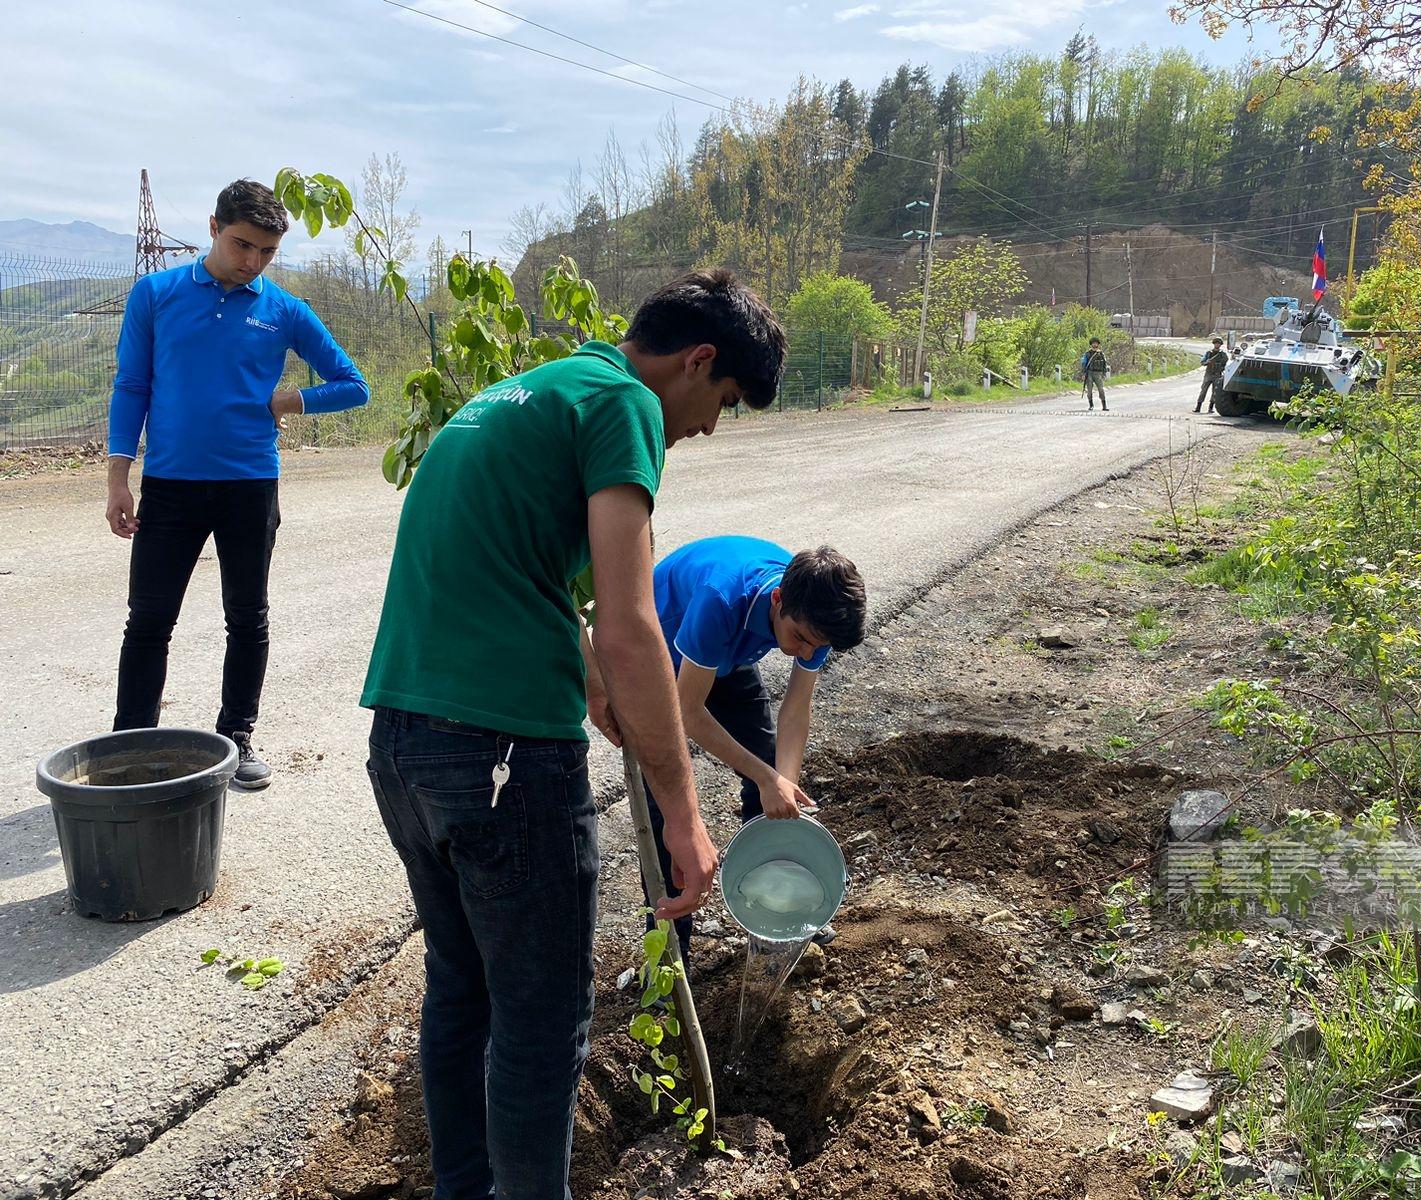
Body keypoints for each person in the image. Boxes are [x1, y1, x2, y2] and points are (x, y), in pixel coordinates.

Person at [361, 269, 786, 1200]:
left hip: (403, 744)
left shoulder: (529, 391)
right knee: (543, 1020)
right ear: (698, 361)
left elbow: (524, 571)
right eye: (722, 401)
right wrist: (685, 816)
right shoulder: (625, 405)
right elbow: (633, 624)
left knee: (462, 990)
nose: (710, 427)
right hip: (503, 758)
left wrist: (591, 676)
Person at [106, 179, 368, 787]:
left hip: (250, 486)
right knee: (149, 620)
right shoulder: (156, 294)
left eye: (267, 252)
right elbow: (132, 386)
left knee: (247, 617)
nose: (253, 262)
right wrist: (119, 478)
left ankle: (237, 738)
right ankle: (129, 745)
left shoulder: (284, 310)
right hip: (169, 485)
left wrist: (290, 400)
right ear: (213, 227)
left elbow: (353, 384)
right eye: (242, 245)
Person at [593, 537, 866, 962]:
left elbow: (796, 709)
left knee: (770, 777)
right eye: (799, 639)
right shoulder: (721, 599)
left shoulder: (817, 616)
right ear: (777, 600)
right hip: (659, 659)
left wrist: (781, 785)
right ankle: (670, 959)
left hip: (723, 658)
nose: (806, 652)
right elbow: (687, 711)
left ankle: (772, 912)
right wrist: (766, 777)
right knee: (669, 819)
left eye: (817, 646)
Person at [1196, 336, 1228, 413]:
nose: (1217, 345)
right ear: (1214, 344)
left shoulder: (1223, 354)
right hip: (1208, 373)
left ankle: (1211, 408)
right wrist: (1207, 362)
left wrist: (1222, 368)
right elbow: (1202, 362)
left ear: (1220, 345)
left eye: (1218, 343)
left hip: (1217, 374)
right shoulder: (1209, 353)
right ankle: (1198, 407)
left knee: (1215, 392)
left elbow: (1226, 364)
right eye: (1216, 343)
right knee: (1203, 390)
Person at [1080, 337, 1109, 410]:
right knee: (1089, 390)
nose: (1095, 344)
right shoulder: (1087, 354)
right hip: (1089, 373)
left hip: (1098, 373)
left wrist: (1104, 373)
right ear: (1091, 344)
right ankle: (1091, 405)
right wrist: (1083, 374)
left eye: (1096, 343)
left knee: (1101, 389)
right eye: (1093, 343)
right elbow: (1084, 364)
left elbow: (1104, 364)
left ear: (1098, 344)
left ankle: (1104, 406)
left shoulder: (1101, 354)